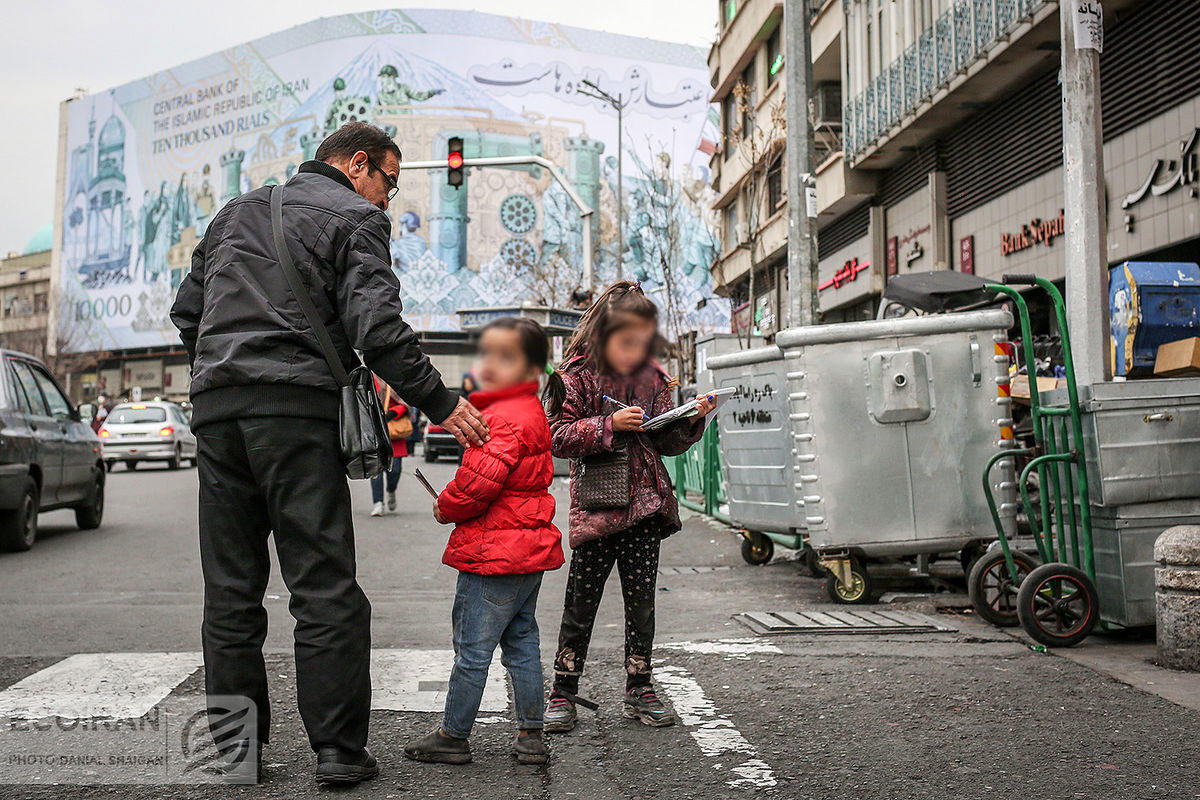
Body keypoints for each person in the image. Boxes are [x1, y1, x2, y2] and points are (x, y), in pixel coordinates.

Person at [169, 121, 489, 785]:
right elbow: (378, 330)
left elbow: (187, 315)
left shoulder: (235, 212)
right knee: (322, 587)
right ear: (359, 164)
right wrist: (442, 403)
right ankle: (339, 752)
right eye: (389, 184)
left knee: (231, 592)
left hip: (219, 415)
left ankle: (235, 754)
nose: (387, 200)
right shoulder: (355, 218)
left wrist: (224, 372)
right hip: (296, 416)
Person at [541, 281, 715, 733]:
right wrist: (608, 424)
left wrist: (692, 420)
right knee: (581, 603)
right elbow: (556, 436)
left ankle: (640, 687)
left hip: (645, 507)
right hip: (598, 507)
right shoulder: (573, 375)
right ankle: (564, 690)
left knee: (641, 604)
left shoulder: (653, 377)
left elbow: (666, 439)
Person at [404, 318, 565, 766]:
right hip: (528, 550)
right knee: (522, 643)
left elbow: (477, 486)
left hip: (494, 553)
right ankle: (532, 735)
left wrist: (445, 507)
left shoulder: (502, 418)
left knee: (473, 650)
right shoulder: (530, 410)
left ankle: (453, 736)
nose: (490, 364)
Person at [369, 377, 407, 517]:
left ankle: (391, 490)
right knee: (376, 470)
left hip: (394, 432)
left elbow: (405, 403)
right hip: (374, 429)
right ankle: (378, 503)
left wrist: (393, 412)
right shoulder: (368, 376)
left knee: (395, 470)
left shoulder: (394, 377)